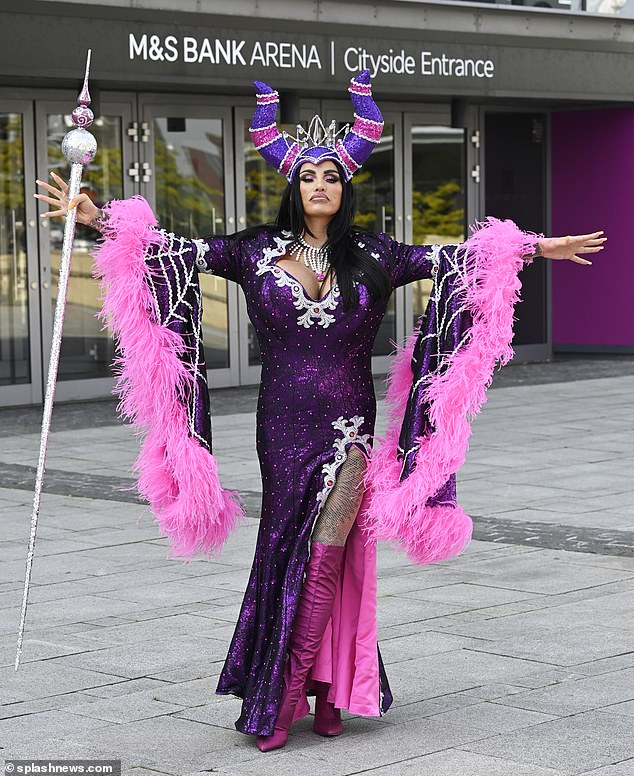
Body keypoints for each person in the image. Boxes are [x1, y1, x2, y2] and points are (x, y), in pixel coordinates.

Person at [35, 70, 604, 753]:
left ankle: (282, 704)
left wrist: (536, 247)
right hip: (280, 426)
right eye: (309, 178)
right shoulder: (251, 251)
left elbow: (458, 257)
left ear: (345, 185)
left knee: (330, 552)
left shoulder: (376, 255)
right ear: (294, 187)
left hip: (349, 431)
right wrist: (100, 221)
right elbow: (167, 253)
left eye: (331, 176)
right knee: (285, 548)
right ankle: (326, 692)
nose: (320, 186)